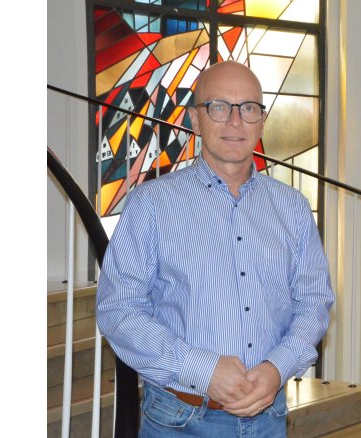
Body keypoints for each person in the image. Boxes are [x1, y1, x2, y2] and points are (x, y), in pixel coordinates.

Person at [96, 61, 335, 437]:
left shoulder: (292, 208)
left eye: (249, 108)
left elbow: (313, 302)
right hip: (180, 420)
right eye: (219, 107)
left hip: (268, 419)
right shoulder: (151, 204)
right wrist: (201, 368)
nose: (235, 122)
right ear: (195, 118)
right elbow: (118, 310)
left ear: (261, 120)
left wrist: (278, 367)